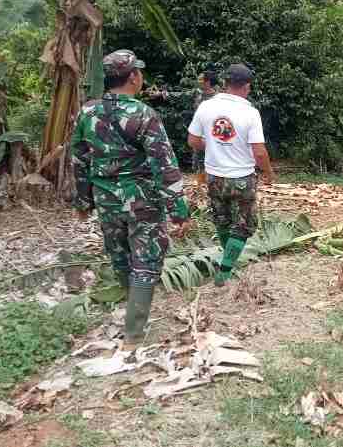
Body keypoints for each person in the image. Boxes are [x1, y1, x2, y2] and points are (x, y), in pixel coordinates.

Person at [71, 50, 189, 348]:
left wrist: (83, 202)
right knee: (147, 258)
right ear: (133, 77)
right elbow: (164, 164)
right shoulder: (143, 114)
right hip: (142, 200)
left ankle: (133, 310)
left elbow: (79, 159)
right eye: (139, 72)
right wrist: (178, 208)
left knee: (120, 255)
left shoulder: (87, 112)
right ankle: (134, 334)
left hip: (106, 199)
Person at [187, 63, 275, 286]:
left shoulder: (206, 107)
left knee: (223, 220)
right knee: (245, 225)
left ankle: (227, 259)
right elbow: (259, 152)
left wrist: (216, 147)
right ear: (247, 86)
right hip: (242, 179)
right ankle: (225, 271)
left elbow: (193, 141)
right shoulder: (250, 112)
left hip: (214, 177)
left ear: (225, 84)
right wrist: (268, 172)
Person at [193, 65, 220, 185]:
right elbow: (178, 95)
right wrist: (162, 94)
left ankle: (215, 185)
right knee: (198, 161)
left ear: (208, 82)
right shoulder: (197, 93)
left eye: (201, 80)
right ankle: (200, 186)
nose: (199, 82)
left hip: (215, 134)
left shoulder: (220, 97)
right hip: (199, 134)